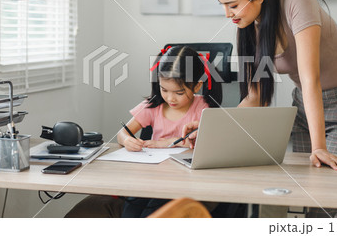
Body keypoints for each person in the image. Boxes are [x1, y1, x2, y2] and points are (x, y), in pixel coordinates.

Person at [182, 0, 337, 217]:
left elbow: (311, 78)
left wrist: (319, 146)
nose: (228, 14)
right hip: (306, 109)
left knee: (323, 202)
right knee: (299, 196)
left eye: (234, 4)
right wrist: (211, 129)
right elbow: (255, 97)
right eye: (223, 5)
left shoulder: (297, 1)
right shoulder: (250, 25)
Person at [65, 45, 222, 218]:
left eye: (179, 92)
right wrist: (127, 141)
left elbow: (207, 144)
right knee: (131, 212)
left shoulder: (204, 108)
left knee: (156, 211)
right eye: (164, 90)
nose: (170, 98)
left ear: (197, 86)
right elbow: (122, 133)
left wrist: (166, 142)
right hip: (151, 181)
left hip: (183, 183)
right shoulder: (153, 106)